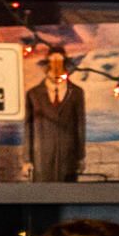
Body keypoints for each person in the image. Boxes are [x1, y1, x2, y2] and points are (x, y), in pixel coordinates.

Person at [22, 43, 85, 182]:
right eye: (53, 60)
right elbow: (28, 128)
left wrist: (81, 157)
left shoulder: (76, 93)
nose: (56, 64)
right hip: (42, 157)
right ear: (48, 62)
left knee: (68, 194)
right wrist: (27, 159)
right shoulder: (34, 94)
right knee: (43, 196)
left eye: (60, 60)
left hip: (68, 157)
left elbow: (80, 126)